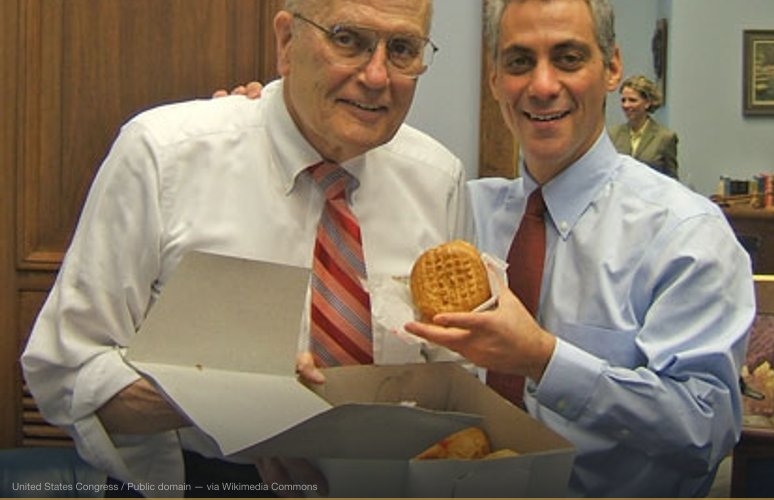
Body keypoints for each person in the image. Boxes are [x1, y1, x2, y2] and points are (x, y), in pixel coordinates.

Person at [20, 0, 471, 495]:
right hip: (204, 480)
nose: (377, 75)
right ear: (287, 42)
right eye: (347, 39)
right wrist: (223, 397)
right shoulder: (164, 155)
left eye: (402, 48)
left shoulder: (438, 180)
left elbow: (459, 378)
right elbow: (70, 372)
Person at [404, 0, 755, 497]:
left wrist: (545, 361)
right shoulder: (463, 214)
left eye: (568, 58)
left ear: (612, 67)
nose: (543, 85)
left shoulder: (684, 233)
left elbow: (705, 430)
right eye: (520, 61)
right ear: (495, 78)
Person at [609, 74, 679, 179]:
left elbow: (671, 180)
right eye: (623, 100)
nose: (626, 105)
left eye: (632, 100)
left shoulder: (665, 137)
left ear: (647, 103)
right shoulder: (613, 135)